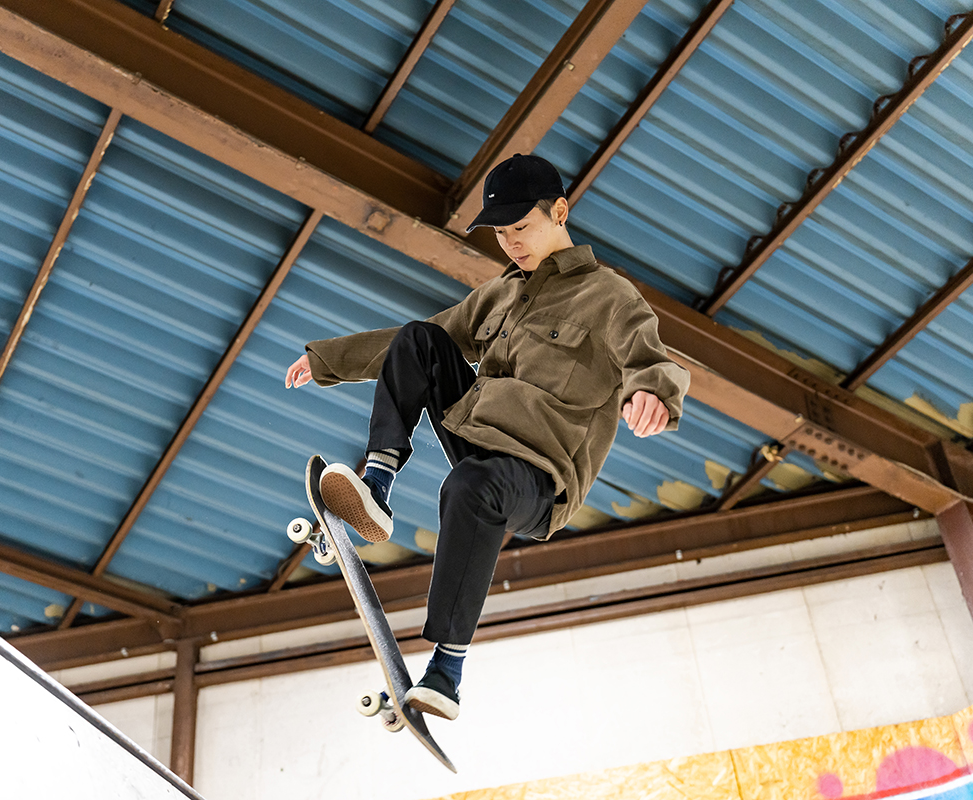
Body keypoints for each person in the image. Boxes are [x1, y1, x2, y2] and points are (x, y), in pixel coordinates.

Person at [284, 153, 689, 720]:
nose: (511, 243)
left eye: (521, 227)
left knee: (470, 486)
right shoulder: (501, 293)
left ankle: (446, 670)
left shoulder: (609, 296)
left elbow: (651, 356)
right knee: (419, 339)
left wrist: (652, 394)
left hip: (538, 476)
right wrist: (329, 360)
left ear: (560, 212)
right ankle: (376, 487)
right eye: (500, 233)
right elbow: (415, 345)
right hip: (477, 432)